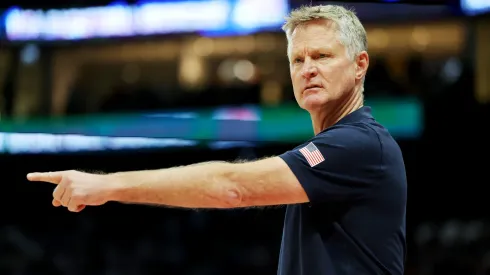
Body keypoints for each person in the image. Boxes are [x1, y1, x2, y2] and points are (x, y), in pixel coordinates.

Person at [27, 4, 407, 275]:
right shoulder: (344, 146)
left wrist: (105, 185)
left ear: (360, 65)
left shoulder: (359, 145)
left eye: (322, 56)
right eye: (297, 60)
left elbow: (231, 187)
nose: (307, 70)